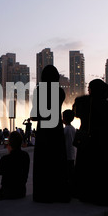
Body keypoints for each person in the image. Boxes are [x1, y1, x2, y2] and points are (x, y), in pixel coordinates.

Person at [71, 79, 108, 206]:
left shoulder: (84, 102)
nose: (88, 90)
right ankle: (102, 196)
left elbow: (75, 112)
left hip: (87, 143)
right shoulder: (106, 105)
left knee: (86, 170)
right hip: (101, 143)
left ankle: (86, 194)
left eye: (90, 88)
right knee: (102, 170)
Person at [30, 65, 70, 203]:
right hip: (56, 129)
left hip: (44, 131)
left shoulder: (40, 90)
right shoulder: (60, 92)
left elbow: (36, 114)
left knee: (44, 161)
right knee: (57, 159)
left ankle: (43, 194)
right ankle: (59, 192)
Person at [0, 131, 30, 201]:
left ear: (10, 144)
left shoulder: (5, 159)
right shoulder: (25, 155)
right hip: (21, 191)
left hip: (7, 192)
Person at [62, 109, 76, 194]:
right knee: (71, 173)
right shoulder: (73, 128)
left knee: (67, 174)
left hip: (67, 154)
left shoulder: (65, 129)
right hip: (72, 154)